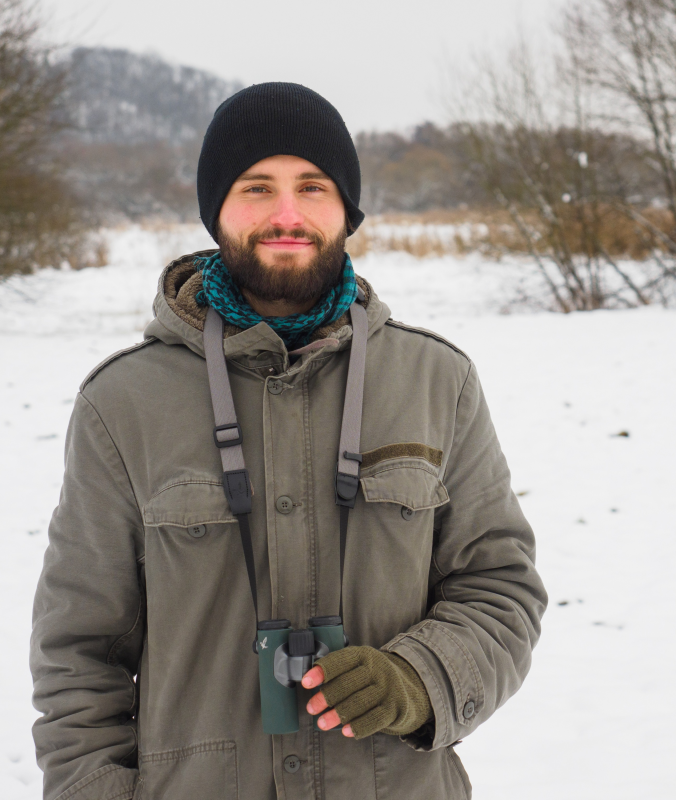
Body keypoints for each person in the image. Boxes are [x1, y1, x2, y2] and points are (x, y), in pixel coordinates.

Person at [30, 82, 547, 800]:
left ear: (347, 210)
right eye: (256, 188)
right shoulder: (122, 403)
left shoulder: (437, 381)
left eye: (312, 187)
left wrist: (419, 678)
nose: (286, 214)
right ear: (216, 209)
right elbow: (79, 654)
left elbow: (500, 588)